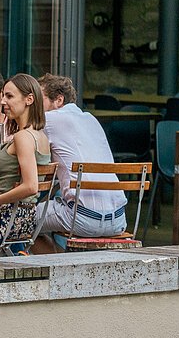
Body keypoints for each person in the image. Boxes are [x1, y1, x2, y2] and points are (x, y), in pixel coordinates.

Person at [34, 73, 127, 249]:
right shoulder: (91, 119)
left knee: (20, 220)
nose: (35, 106)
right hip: (118, 219)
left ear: (58, 100)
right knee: (52, 208)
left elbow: (21, 144)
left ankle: (56, 268)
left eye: (40, 100)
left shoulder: (50, 119)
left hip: (83, 218)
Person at [0, 74, 51, 250]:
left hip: (5, 218)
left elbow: (31, 186)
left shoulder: (23, 137)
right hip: (23, 219)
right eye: (2, 96)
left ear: (29, 99)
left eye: (9, 96)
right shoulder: (40, 136)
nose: (2, 102)